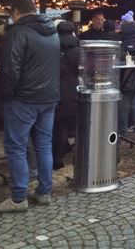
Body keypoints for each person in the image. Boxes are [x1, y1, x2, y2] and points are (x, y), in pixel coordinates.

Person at [0, 0, 60, 213]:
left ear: (16, 11)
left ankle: (18, 197)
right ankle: (44, 192)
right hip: (48, 98)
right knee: (43, 145)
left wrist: (5, 94)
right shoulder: (52, 32)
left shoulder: (17, 32)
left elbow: (10, 71)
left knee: (16, 147)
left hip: (23, 99)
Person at [52, 21, 79, 170]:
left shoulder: (52, 48)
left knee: (56, 126)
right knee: (66, 125)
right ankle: (66, 150)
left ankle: (56, 158)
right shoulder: (78, 50)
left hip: (55, 90)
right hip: (73, 90)